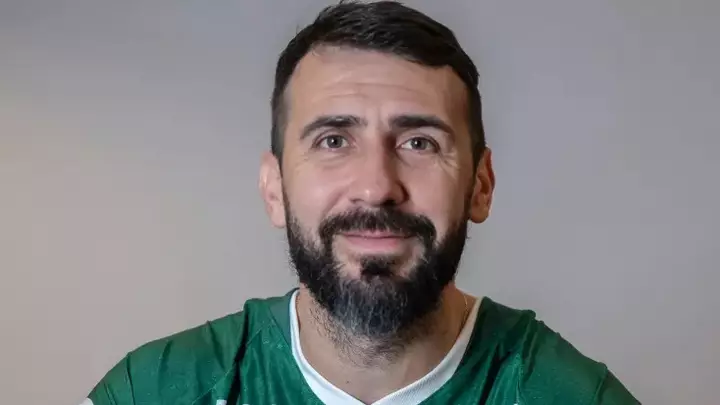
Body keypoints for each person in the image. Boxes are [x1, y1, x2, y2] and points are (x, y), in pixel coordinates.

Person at [81, 1, 639, 404]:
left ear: (480, 186)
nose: (376, 187)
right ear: (274, 188)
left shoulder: (569, 395)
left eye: (419, 143)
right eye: (333, 141)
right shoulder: (153, 392)